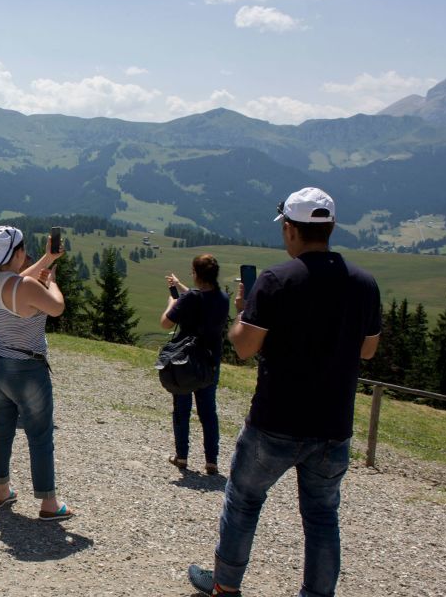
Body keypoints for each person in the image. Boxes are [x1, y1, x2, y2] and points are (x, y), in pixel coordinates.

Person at [187, 187, 381, 597]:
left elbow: (243, 347)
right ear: (329, 228)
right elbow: (367, 350)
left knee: (243, 501)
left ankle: (225, 585)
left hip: (275, 419)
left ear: (291, 230)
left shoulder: (276, 280)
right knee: (323, 516)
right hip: (334, 424)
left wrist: (244, 310)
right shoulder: (364, 283)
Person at [0, 225, 74, 521]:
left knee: (1, 428)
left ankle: (1, 491)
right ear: (19, 252)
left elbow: (15, 280)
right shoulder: (29, 287)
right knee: (40, 435)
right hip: (26, 368)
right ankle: (48, 504)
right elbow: (57, 308)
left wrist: (47, 258)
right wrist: (52, 283)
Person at [160, 254, 230, 475]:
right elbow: (201, 298)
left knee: (182, 409)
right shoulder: (222, 298)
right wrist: (180, 286)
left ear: (197, 274)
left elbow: (165, 323)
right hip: (210, 362)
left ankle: (182, 457)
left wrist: (173, 301)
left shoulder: (189, 299)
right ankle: (212, 461)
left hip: (185, 361)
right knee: (208, 412)